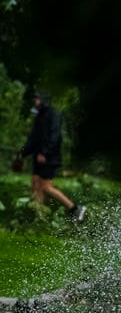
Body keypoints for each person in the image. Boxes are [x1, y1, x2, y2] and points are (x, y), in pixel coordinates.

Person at [13, 91, 85, 221]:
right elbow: (33, 139)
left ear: (43, 99)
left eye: (37, 98)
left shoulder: (53, 115)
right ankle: (37, 216)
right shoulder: (39, 116)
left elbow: (54, 136)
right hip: (38, 156)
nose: (35, 101)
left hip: (49, 157)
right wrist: (22, 154)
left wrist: (44, 152)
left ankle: (75, 208)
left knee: (46, 187)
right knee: (35, 184)